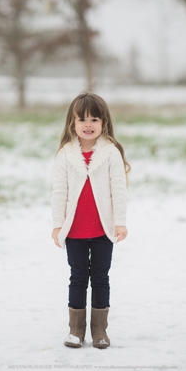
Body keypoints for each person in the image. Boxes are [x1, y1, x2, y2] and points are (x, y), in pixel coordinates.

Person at [51, 92, 130, 348]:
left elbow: (118, 189)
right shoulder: (65, 154)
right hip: (74, 231)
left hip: (102, 231)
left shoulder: (110, 153)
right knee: (77, 277)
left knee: (100, 277)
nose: (88, 125)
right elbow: (59, 191)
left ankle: (100, 332)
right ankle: (76, 330)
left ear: (104, 123)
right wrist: (57, 224)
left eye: (94, 119)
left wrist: (120, 221)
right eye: (82, 119)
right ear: (72, 124)